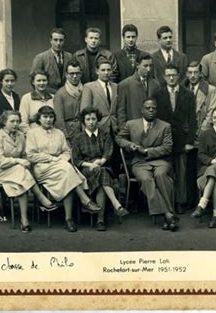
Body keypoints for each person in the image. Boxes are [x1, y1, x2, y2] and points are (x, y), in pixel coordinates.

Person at [26, 106, 102, 232]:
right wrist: (52, 159)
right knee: (68, 170)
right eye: (45, 117)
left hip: (60, 166)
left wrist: (60, 159)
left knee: (67, 175)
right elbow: (31, 155)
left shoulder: (59, 133)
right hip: (42, 167)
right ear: (39, 118)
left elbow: (67, 152)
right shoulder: (32, 133)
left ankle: (69, 219)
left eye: (51, 117)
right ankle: (85, 201)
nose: (48, 120)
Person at [116, 98, 179, 231]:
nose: (151, 110)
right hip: (139, 163)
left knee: (161, 175)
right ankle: (168, 214)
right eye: (148, 108)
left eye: (154, 108)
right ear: (142, 110)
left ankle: (166, 214)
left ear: (157, 110)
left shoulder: (165, 126)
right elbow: (119, 138)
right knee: (146, 179)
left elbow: (167, 147)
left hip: (160, 161)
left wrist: (147, 151)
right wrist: (130, 145)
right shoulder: (131, 124)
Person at [0, 111, 58, 233]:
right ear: (4, 122)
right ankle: (41, 197)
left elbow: (24, 155)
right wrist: (19, 161)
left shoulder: (21, 135)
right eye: (12, 121)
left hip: (19, 172)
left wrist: (27, 162)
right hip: (0, 171)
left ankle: (24, 220)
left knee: (21, 183)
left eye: (17, 121)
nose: (15, 124)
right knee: (21, 169)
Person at [72, 107, 130, 231]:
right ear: (83, 121)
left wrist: (101, 161)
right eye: (88, 119)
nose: (91, 122)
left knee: (102, 173)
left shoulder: (105, 135)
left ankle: (101, 219)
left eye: (93, 118)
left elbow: (108, 152)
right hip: (86, 170)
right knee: (102, 174)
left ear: (97, 120)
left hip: (103, 166)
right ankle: (112, 208)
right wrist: (90, 165)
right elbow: (76, 160)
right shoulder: (78, 138)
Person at [152, 64, 197, 214]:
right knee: (165, 172)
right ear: (164, 77)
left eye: (174, 75)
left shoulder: (188, 94)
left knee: (181, 173)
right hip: (164, 140)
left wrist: (190, 141)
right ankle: (167, 202)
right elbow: (155, 118)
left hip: (181, 140)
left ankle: (180, 201)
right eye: (168, 75)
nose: (171, 78)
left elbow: (192, 119)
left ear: (179, 76)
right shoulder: (157, 94)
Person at [181, 60, 216, 208]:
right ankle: (189, 200)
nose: (192, 75)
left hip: (203, 133)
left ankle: (204, 201)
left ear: (201, 73)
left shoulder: (210, 90)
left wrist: (199, 131)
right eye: (189, 72)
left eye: (195, 72)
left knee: (203, 165)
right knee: (187, 168)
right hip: (186, 134)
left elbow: (212, 112)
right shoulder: (181, 88)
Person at [116, 53, 160, 129]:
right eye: (145, 66)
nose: (148, 69)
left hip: (152, 128)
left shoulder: (156, 84)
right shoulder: (125, 84)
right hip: (133, 128)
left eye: (150, 66)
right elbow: (121, 111)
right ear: (137, 65)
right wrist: (123, 129)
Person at [30, 27, 73, 93]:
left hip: (65, 94)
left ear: (64, 41)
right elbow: (33, 79)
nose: (58, 43)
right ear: (51, 40)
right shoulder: (41, 57)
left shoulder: (69, 56)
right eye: (55, 40)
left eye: (61, 40)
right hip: (48, 94)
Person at [53, 58, 84, 142]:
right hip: (69, 133)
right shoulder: (60, 94)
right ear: (66, 75)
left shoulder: (85, 90)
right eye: (71, 73)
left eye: (77, 73)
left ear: (81, 74)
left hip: (84, 131)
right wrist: (65, 137)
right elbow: (59, 120)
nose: (74, 76)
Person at [0, 68, 21, 134]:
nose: (10, 83)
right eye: (7, 81)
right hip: (1, 135)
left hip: (15, 134)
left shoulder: (16, 97)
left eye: (12, 81)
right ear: (1, 81)